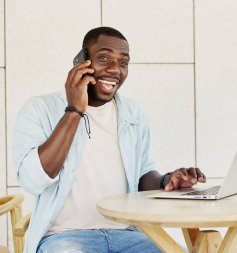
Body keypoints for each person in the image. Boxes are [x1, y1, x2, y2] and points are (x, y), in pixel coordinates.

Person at [12, 27, 206, 253]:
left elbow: (142, 175)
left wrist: (166, 180)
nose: (115, 70)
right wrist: (74, 110)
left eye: (123, 63)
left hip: (127, 234)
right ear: (82, 61)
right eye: (103, 58)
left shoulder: (133, 113)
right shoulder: (40, 109)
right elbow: (32, 180)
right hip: (64, 238)